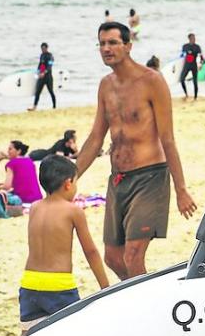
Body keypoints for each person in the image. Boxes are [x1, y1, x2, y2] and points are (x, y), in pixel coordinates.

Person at [75, 22, 197, 281]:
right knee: (113, 258)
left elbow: (168, 138)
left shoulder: (152, 82)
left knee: (133, 256)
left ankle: (147, 310)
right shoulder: (105, 86)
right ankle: (141, 297)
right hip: (118, 180)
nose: (106, 48)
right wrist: (70, 178)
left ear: (128, 46)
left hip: (150, 178)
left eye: (112, 42)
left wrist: (181, 189)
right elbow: (96, 138)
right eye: (102, 43)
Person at [19, 155, 111, 333]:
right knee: (72, 334)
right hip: (59, 287)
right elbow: (90, 251)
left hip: (29, 285)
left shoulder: (35, 207)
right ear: (68, 183)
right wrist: (105, 287)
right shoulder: (73, 211)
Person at [0, 140, 43, 211]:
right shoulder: (29, 161)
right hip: (37, 199)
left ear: (18, 151)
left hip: (22, 200)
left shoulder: (11, 164)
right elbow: (22, 181)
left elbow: (7, 186)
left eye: (10, 149)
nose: (8, 151)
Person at [28, 42, 57, 111]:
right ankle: (34, 107)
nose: (42, 50)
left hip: (48, 77)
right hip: (41, 77)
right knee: (37, 92)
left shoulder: (50, 56)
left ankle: (54, 107)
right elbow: (40, 65)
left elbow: (49, 66)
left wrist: (44, 73)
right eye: (41, 49)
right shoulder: (42, 55)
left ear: (47, 48)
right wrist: (37, 72)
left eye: (44, 48)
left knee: (51, 91)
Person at [179, 33, 202, 100]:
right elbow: (182, 55)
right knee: (182, 79)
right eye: (192, 38)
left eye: (194, 38)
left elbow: (200, 56)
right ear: (189, 39)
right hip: (187, 65)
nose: (194, 40)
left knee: (195, 82)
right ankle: (186, 94)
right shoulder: (185, 46)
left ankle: (195, 97)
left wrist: (200, 64)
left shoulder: (197, 47)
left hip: (194, 65)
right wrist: (181, 56)